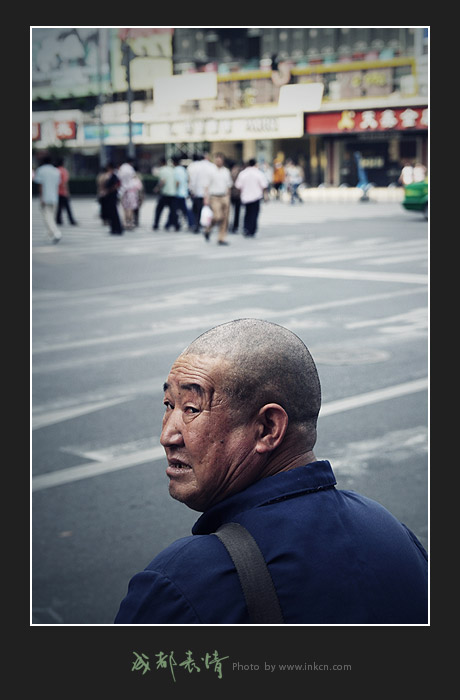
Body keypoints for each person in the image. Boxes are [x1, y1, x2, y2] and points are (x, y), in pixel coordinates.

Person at [115, 319, 428, 625]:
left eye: (192, 409)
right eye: (169, 405)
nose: (167, 435)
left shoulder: (180, 584)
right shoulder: (396, 537)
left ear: (267, 428)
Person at [203, 153, 233, 245]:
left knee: (225, 218)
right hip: (214, 197)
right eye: (217, 160)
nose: (219, 162)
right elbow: (206, 186)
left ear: (223, 161)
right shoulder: (210, 171)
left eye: (220, 160)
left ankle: (221, 238)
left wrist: (228, 196)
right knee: (217, 216)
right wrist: (206, 198)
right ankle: (208, 229)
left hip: (224, 196)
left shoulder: (226, 171)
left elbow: (229, 185)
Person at [235, 158, 269, 237]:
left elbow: (238, 186)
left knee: (247, 213)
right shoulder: (259, 173)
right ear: (255, 164)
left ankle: (246, 228)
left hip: (245, 197)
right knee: (254, 214)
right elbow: (264, 186)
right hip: (256, 197)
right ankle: (252, 229)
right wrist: (266, 196)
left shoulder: (243, 173)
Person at [33, 154, 62, 243]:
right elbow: (58, 184)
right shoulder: (56, 171)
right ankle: (50, 233)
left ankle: (56, 233)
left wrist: (42, 198)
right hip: (55, 197)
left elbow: (40, 185)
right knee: (51, 217)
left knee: (47, 217)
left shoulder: (41, 170)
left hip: (46, 197)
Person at [152, 157, 178, 231]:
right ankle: (176, 225)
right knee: (173, 211)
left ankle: (156, 225)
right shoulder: (172, 169)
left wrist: (157, 188)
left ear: (161, 163)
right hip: (173, 193)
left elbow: (162, 181)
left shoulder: (162, 170)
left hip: (165, 193)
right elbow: (176, 182)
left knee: (159, 209)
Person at [170, 155, 194, 231]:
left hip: (178, 194)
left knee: (176, 210)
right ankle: (190, 224)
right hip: (184, 193)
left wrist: (174, 190)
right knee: (184, 210)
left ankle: (174, 224)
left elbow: (177, 182)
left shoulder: (175, 170)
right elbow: (188, 179)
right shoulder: (183, 169)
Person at [101, 162, 124, 235]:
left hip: (112, 196)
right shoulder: (112, 175)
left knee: (114, 213)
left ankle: (117, 229)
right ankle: (114, 228)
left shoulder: (114, 175)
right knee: (112, 213)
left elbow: (117, 185)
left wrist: (108, 191)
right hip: (110, 196)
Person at [55, 157, 77, 225]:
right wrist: (67, 192)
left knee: (59, 207)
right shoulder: (64, 171)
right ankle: (71, 220)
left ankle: (58, 220)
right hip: (63, 192)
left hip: (56, 192)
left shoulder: (55, 170)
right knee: (67, 207)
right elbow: (65, 182)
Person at [229, 161, 243, 232]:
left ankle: (235, 225)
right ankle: (230, 225)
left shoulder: (240, 175)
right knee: (230, 211)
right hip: (230, 195)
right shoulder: (229, 174)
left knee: (237, 212)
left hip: (237, 196)